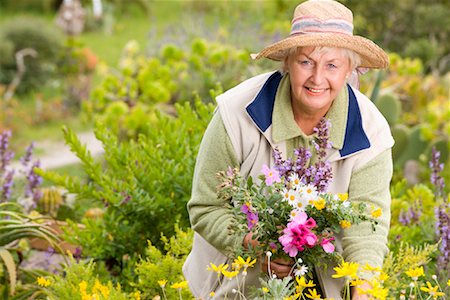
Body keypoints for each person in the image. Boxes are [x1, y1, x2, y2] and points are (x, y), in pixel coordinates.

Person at [183, 0, 393, 299]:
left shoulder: (371, 131)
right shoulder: (237, 112)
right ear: (287, 63)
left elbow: (366, 228)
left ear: (349, 70)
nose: (317, 79)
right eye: (306, 62)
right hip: (236, 286)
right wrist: (257, 244)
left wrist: (363, 292)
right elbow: (206, 207)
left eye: (332, 65)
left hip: (325, 286)